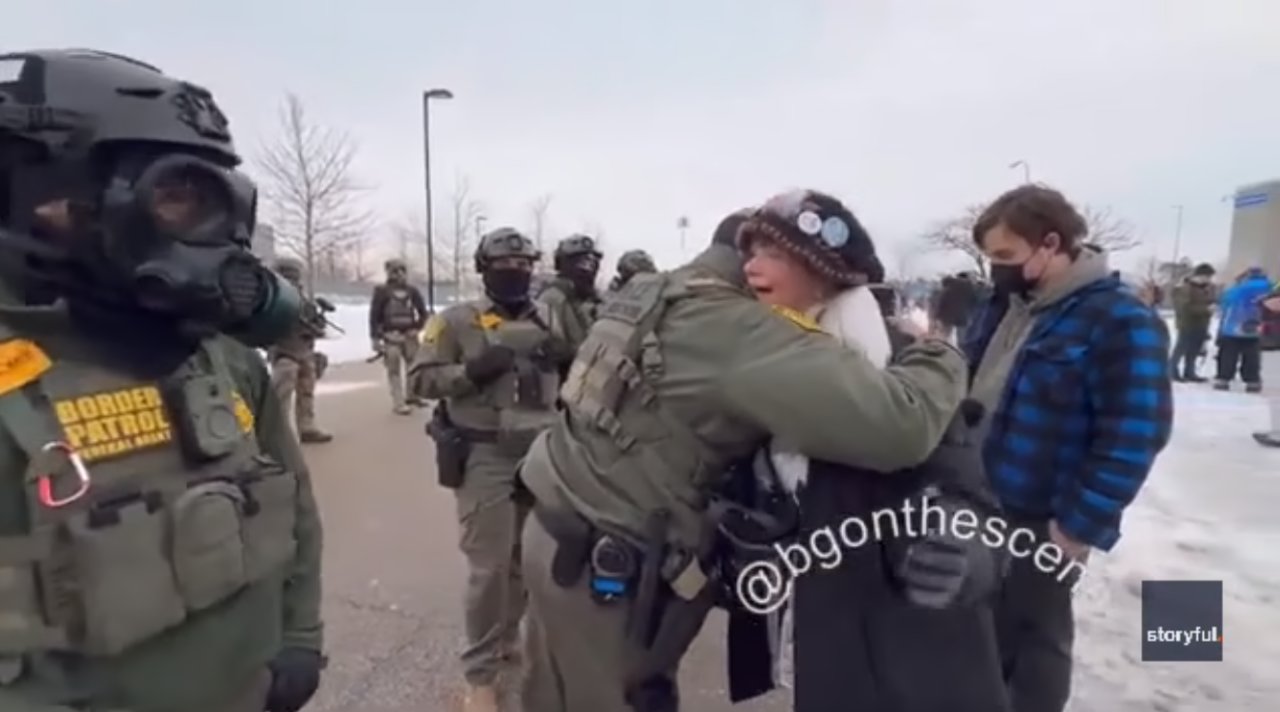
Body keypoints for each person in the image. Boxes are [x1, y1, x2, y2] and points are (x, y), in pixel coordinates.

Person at [518, 190, 974, 712]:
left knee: (552, 695)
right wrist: (940, 351)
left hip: (554, 524)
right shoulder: (742, 331)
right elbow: (903, 423)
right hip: (609, 568)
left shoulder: (655, 289)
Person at [0, 48, 326, 712]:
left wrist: (299, 636)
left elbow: (292, 505)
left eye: (208, 199)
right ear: (38, 191)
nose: (205, 235)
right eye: (172, 195)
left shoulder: (220, 358)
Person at [723, 203, 1010, 712]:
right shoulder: (771, 358)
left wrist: (963, 547)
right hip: (829, 643)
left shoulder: (898, 360)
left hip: (909, 662)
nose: (750, 265)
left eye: (770, 251)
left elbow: (964, 485)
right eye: (749, 252)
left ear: (823, 271)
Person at [961, 184, 1173, 712]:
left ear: (1051, 243)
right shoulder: (1009, 305)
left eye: (1005, 256)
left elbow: (1134, 435)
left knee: (1036, 639)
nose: (996, 270)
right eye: (990, 258)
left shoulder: (1120, 319)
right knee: (983, 631)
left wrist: (1077, 526)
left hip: (1044, 516)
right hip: (982, 499)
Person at [408, 228, 575, 712]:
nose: (516, 272)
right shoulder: (456, 321)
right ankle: (480, 676)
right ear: (484, 269)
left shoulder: (548, 321)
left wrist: (567, 362)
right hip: (485, 457)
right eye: (505, 264)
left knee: (527, 560)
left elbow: (575, 384)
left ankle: (505, 640)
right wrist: (471, 371)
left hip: (541, 455)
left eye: (524, 264)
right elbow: (420, 378)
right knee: (489, 568)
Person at [268, 258, 334, 443]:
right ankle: (276, 434)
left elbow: (315, 323)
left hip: (305, 351)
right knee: (281, 397)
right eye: (289, 273)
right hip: (284, 352)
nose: (293, 278)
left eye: (295, 274)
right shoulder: (272, 296)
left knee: (306, 393)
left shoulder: (304, 299)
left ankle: (307, 428)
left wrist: (317, 323)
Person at [369, 257, 429, 414]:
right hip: (390, 336)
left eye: (402, 270)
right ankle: (398, 402)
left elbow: (423, 312)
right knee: (393, 370)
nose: (399, 274)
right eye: (395, 271)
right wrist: (376, 337)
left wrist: (417, 327)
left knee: (414, 367)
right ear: (389, 272)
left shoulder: (412, 291)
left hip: (410, 336)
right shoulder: (382, 291)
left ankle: (412, 395)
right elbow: (374, 315)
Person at [537, 234, 603, 360]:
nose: (588, 269)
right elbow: (550, 347)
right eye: (582, 263)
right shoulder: (553, 298)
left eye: (592, 264)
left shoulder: (595, 299)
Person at [1214, 266, 1270, 392]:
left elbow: (1225, 304)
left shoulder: (1236, 289)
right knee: (1252, 356)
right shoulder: (1269, 287)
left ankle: (1223, 379)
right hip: (1255, 327)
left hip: (1232, 327)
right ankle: (1252, 381)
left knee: (1228, 355)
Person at [1170, 263, 1216, 382]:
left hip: (1201, 324)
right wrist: (1205, 309)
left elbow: (1208, 301)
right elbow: (1183, 308)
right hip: (1187, 323)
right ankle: (1172, 370)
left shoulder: (1205, 288)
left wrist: (1210, 306)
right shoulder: (1185, 288)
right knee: (1181, 348)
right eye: (1208, 277)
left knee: (1194, 350)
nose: (1209, 280)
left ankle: (1189, 372)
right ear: (1199, 275)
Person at [1252, 284, 1280, 447]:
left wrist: (1264, 302)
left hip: (1276, 345)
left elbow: (1273, 304)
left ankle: (1278, 432)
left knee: (1276, 390)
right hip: (1272, 343)